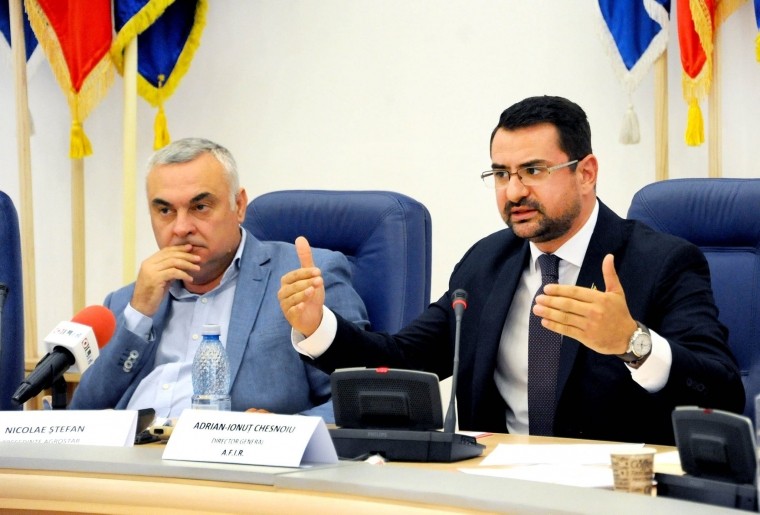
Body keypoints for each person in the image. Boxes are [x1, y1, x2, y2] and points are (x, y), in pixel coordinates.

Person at [278, 96, 745, 445]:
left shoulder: (661, 262)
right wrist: (318, 327)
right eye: (501, 174)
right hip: (498, 487)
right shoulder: (486, 263)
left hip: (613, 492)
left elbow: (723, 393)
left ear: (586, 173)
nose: (514, 191)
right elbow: (403, 357)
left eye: (533, 171)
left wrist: (632, 342)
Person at [70, 138, 368, 420]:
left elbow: (358, 399)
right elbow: (82, 414)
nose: (181, 228)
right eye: (165, 210)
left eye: (200, 207)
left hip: (233, 453)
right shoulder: (128, 302)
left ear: (239, 205)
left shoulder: (304, 278)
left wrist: (281, 432)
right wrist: (138, 316)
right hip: (134, 452)